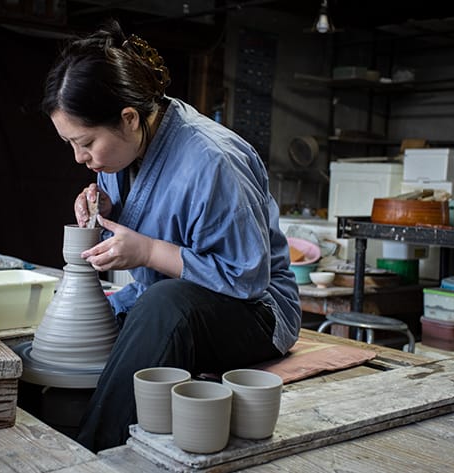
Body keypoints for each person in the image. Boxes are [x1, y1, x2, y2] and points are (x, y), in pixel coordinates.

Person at [41, 20, 301, 453]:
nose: (79, 158)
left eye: (85, 142)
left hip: (257, 313)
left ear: (128, 118)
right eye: (70, 144)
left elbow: (247, 280)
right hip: (179, 303)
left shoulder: (212, 160)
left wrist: (145, 251)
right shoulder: (126, 149)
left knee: (163, 306)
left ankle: (92, 454)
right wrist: (106, 209)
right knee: (87, 319)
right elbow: (146, 204)